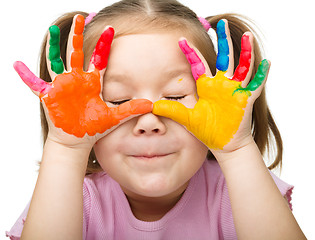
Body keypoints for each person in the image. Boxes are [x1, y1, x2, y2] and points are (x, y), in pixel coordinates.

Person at [6, 0, 306, 239]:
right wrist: (66, 149)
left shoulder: (240, 191)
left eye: (175, 97)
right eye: (119, 100)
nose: (149, 121)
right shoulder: (71, 199)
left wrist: (237, 150)